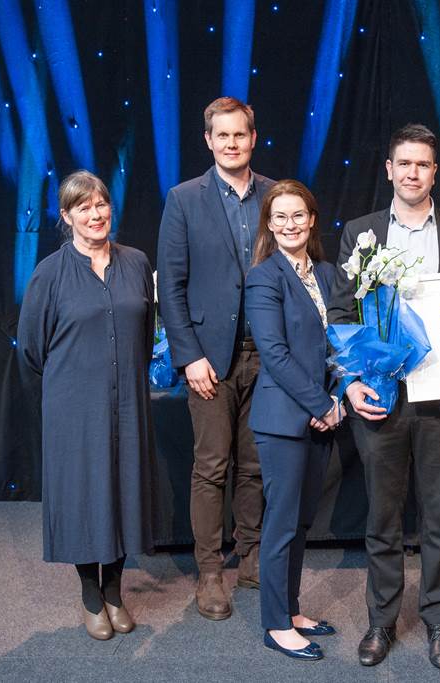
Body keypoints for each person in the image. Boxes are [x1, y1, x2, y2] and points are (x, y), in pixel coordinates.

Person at [327, 123, 440, 670]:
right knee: (383, 518)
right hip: (381, 398)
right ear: (389, 170)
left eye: (423, 164)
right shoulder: (361, 232)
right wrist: (350, 382)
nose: (413, 173)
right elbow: (342, 313)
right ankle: (382, 621)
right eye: (405, 164)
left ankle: (439, 621)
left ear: (435, 172)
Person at [18, 171, 155, 640]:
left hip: (127, 401)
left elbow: (145, 332)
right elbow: (30, 348)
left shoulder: (136, 262)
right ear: (67, 216)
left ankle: (114, 590)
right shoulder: (49, 273)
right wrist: (72, 384)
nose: (95, 215)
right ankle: (90, 594)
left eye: (101, 205)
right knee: (82, 493)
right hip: (74, 406)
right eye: (83, 208)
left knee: (123, 491)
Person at [157, 97, 275, 620]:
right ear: (208, 140)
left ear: (253, 138)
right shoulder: (184, 199)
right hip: (209, 360)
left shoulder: (276, 194)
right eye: (221, 135)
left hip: (266, 356)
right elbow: (171, 286)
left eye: (239, 135)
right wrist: (189, 357)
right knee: (211, 467)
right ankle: (209, 572)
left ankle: (250, 557)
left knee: (255, 465)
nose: (231, 143)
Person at [245, 180, 342, 660]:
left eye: (298, 215)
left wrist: (336, 398)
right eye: (279, 216)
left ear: (312, 219)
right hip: (283, 420)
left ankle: (292, 609)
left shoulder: (327, 273)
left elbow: (341, 345)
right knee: (281, 525)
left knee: (302, 523)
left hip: (322, 415)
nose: (290, 224)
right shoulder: (264, 277)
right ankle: (276, 624)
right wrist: (322, 405)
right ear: (269, 223)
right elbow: (275, 355)